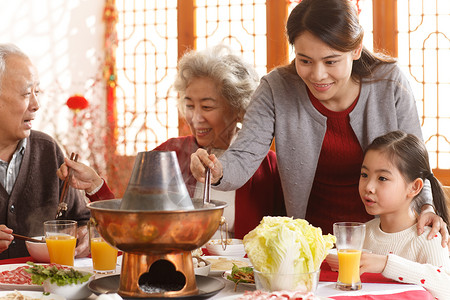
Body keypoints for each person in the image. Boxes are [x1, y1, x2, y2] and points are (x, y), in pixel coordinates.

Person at [189, 0, 449, 243]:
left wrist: (427, 207)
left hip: (386, 241)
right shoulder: (276, 88)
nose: (317, 75)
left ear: (356, 49)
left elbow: (416, 165)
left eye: (331, 61)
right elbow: (244, 155)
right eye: (305, 61)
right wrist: (217, 170)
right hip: (311, 245)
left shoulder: (389, 83)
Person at [58, 45, 285, 239]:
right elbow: (130, 226)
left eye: (207, 107)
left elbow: (283, 236)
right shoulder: (168, 155)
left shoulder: (268, 167)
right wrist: (95, 185)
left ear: (238, 109)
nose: (195, 118)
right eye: (189, 105)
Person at [0, 43, 91, 259]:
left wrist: (85, 234)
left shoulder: (47, 150)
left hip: (44, 290)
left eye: (37, 92)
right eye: (26, 94)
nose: (36, 104)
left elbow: (81, 220)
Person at [358, 131, 450, 299]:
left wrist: (386, 263)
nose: (369, 187)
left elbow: (446, 287)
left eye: (382, 178)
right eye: (364, 175)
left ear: (414, 187)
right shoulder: (362, 232)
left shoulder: (428, 238)